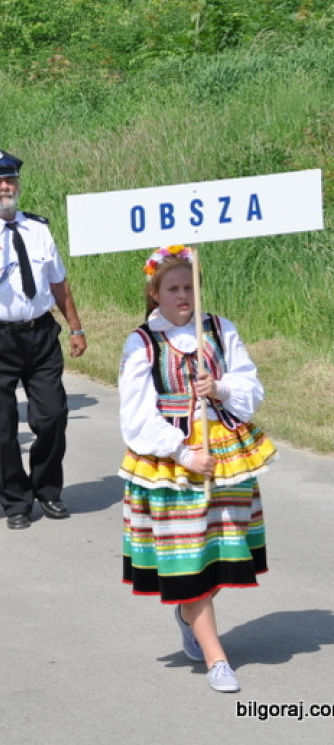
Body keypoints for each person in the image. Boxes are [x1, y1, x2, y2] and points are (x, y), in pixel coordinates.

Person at [118, 246, 276, 693]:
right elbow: (135, 417)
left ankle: (189, 613)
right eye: (173, 288)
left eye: (189, 286)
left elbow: (251, 386)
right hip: (172, 463)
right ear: (155, 293)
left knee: (225, 552)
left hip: (226, 454)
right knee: (190, 558)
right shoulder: (142, 342)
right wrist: (184, 453)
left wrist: (221, 387)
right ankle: (216, 657)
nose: (183, 295)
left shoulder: (220, 329)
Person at [0, 149, 86, 530]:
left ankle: (47, 490)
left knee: (53, 414)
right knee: (1, 424)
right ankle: (15, 501)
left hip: (40, 333)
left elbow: (58, 283)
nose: (3, 187)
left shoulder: (37, 228)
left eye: (8, 180)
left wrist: (75, 327)